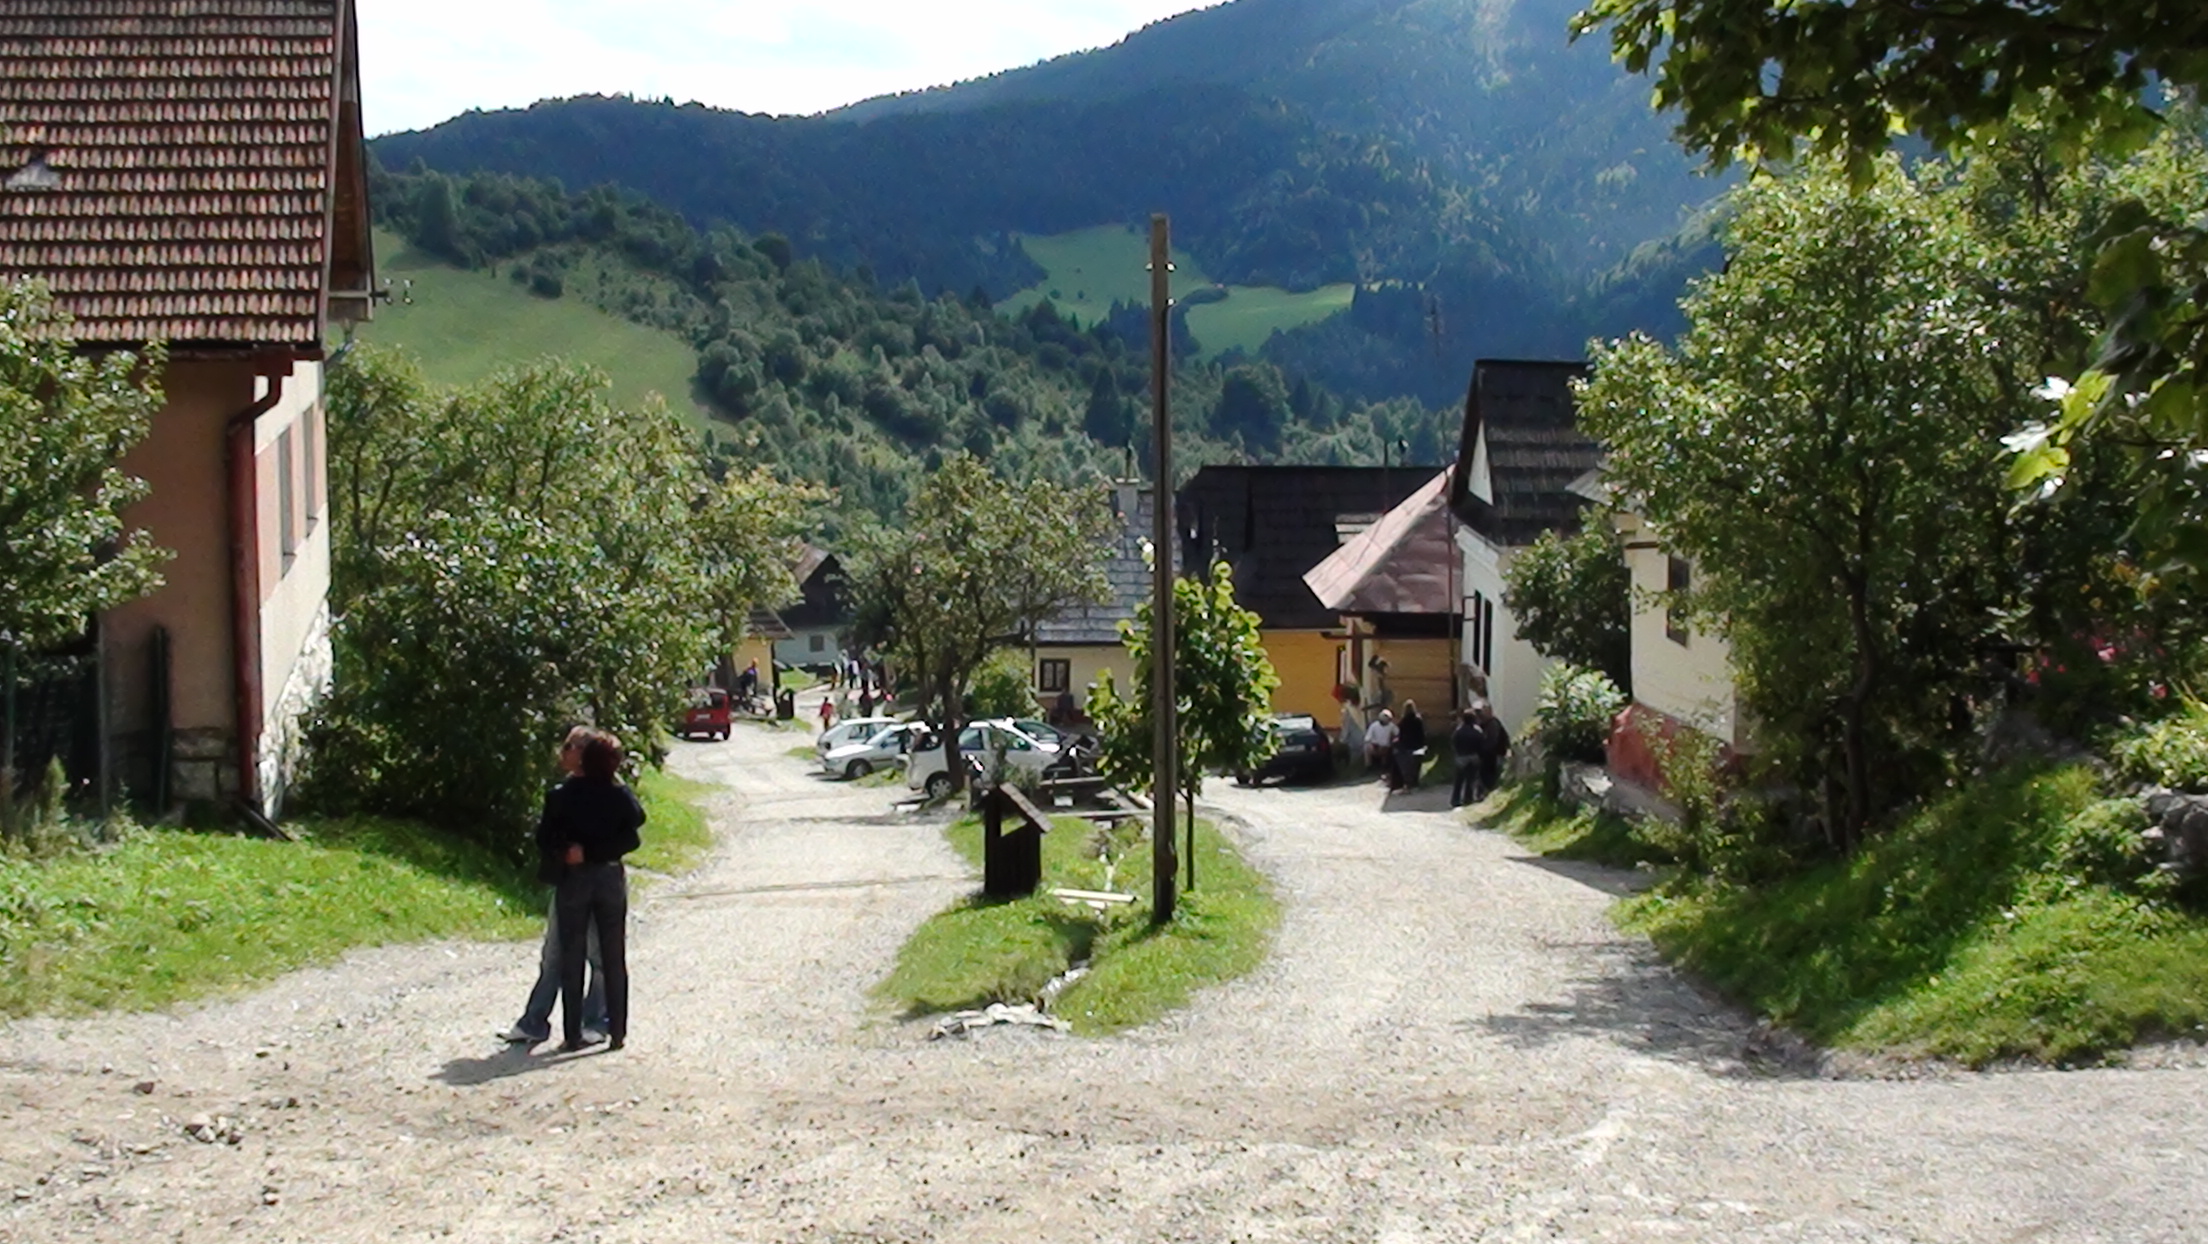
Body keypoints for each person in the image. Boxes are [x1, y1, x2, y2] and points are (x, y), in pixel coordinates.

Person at [538, 728, 644, 1052]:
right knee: (613, 956)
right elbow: (635, 829)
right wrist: (600, 850)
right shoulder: (617, 794)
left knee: (572, 954)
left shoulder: (561, 795)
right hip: (609, 876)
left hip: (575, 878)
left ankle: (572, 1034)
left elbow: (543, 837)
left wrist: (570, 851)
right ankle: (617, 1030)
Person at [502, 727, 607, 1046]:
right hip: (568, 883)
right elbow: (545, 836)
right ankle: (534, 1022)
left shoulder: (609, 792)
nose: (563, 752)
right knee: (554, 955)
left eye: (569, 746)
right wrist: (560, 850)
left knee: (599, 956)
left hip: (601, 885)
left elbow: (624, 836)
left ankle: (597, 1022)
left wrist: (588, 852)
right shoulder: (561, 793)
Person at [1450, 707, 1489, 808]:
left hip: (1461, 757)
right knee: (1470, 779)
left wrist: (1457, 752)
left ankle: (1455, 799)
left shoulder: (1458, 730)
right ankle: (1468, 798)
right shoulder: (1477, 731)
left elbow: (1454, 743)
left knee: (1459, 780)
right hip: (1473, 756)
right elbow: (1481, 744)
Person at [1477, 702, 1511, 798]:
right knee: (1485, 774)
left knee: (1493, 775)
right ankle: (1485, 793)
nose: (1483, 714)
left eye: (1484, 711)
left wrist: (1484, 749)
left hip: (1495, 754)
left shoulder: (1493, 724)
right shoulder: (1485, 723)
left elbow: (1493, 740)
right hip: (1489, 755)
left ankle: (1491, 793)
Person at [1395, 699, 1426, 790]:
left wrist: (1400, 745)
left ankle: (1408, 782)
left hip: (1407, 747)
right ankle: (1416, 782)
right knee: (1417, 765)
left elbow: (1401, 735)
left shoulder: (1403, 721)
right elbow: (1422, 733)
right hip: (1417, 746)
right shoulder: (1418, 720)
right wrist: (1423, 744)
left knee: (1407, 766)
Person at [1363, 708, 1397, 782]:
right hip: (1375, 746)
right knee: (1366, 747)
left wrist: (1393, 739)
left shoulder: (1391, 726)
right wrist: (1372, 744)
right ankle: (1368, 766)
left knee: (1387, 750)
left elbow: (1397, 733)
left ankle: (1384, 767)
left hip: (1386, 747)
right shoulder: (1374, 726)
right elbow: (1367, 738)